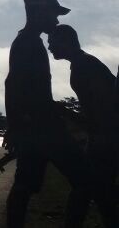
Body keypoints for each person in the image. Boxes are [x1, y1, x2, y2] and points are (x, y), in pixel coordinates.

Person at [4, 0, 106, 228]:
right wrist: (15, 126)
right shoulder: (27, 43)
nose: (56, 21)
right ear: (39, 13)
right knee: (84, 180)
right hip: (45, 130)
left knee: (24, 187)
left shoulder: (29, 42)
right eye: (54, 14)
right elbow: (13, 85)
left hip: (40, 128)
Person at [48, 24, 118, 226]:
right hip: (102, 137)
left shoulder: (84, 65)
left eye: (52, 42)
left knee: (91, 190)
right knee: (96, 192)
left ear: (66, 41)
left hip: (107, 138)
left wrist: (64, 111)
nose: (50, 47)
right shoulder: (82, 63)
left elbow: (103, 108)